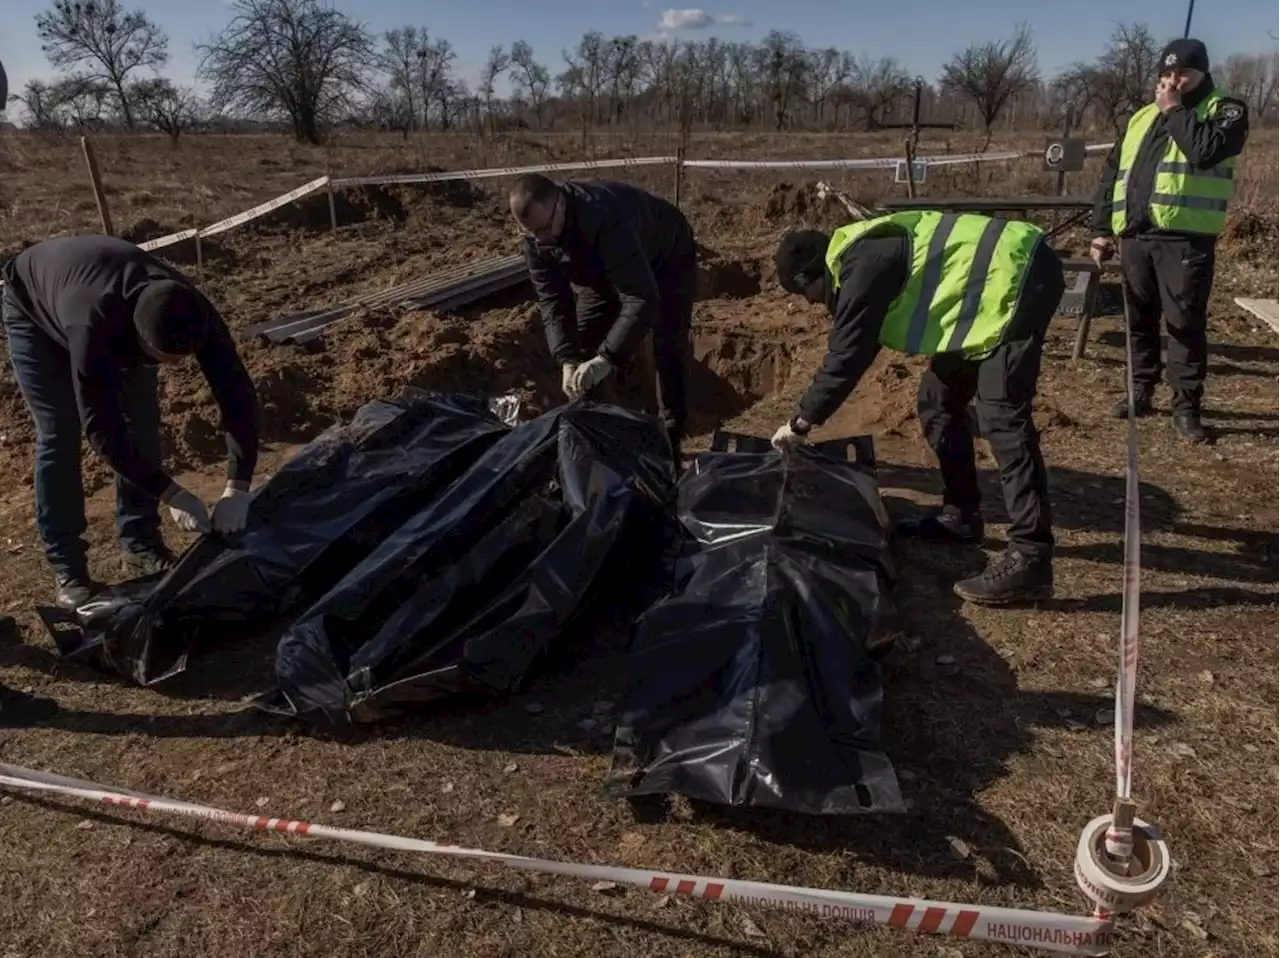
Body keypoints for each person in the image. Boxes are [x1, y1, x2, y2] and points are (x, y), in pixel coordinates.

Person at [770, 211, 1065, 606]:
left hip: (1019, 278)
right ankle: (961, 516)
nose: (813, 304)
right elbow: (862, 340)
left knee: (1002, 414)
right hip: (984, 299)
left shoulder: (862, 268)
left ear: (812, 276)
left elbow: (848, 356)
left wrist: (801, 422)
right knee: (937, 400)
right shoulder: (858, 258)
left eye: (806, 295)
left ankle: (1031, 557)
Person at [2, 235, 259, 610]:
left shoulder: (191, 309)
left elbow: (236, 392)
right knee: (61, 430)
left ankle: (141, 543)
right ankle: (68, 566)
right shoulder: (93, 326)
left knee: (142, 421)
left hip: (90, 286)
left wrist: (238, 485)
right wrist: (172, 493)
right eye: (160, 359)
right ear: (139, 338)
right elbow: (101, 428)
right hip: (33, 306)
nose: (169, 368)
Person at [1089, 38, 1249, 443]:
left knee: (1183, 324)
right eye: (1165, 74)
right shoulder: (1142, 116)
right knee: (1139, 319)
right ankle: (1140, 390)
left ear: (1202, 72)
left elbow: (1204, 151)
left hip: (1185, 239)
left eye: (1182, 73)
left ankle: (1185, 407)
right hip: (1136, 235)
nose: (1172, 80)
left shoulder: (1225, 109)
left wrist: (1175, 109)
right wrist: (1101, 229)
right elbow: (1113, 175)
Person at [508, 173, 697, 456]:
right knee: (582, 345)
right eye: (532, 233)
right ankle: (599, 438)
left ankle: (670, 436)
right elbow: (553, 301)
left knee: (667, 343)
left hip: (666, 256)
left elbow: (641, 297)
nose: (542, 240)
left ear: (560, 203)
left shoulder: (603, 217)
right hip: (604, 271)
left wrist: (608, 358)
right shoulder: (536, 239)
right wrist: (567, 358)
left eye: (546, 229)